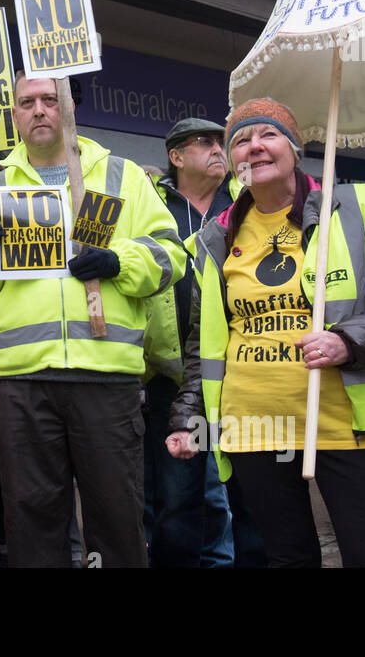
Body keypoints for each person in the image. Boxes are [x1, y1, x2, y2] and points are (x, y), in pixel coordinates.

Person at [166, 99, 365, 568]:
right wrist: (188, 418)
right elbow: (200, 345)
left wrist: (349, 341)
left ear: (294, 147)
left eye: (267, 134)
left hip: (344, 422)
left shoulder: (351, 210)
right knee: (286, 558)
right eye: (241, 140)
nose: (254, 148)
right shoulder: (214, 238)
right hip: (254, 426)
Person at [0, 73, 186, 567]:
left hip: (107, 376)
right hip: (22, 383)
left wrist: (117, 261)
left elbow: (170, 256)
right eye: (26, 102)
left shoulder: (121, 176)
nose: (38, 110)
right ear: (14, 113)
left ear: (71, 108)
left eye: (49, 100)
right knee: (32, 526)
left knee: (118, 523)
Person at [144, 119, 243, 568]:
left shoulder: (244, 203)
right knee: (176, 499)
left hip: (238, 371)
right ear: (177, 156)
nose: (217, 149)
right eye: (203, 143)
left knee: (237, 496)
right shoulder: (148, 203)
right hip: (171, 376)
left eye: (220, 142)